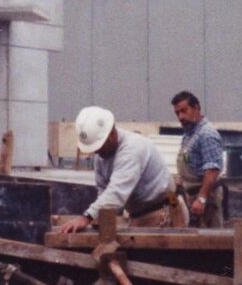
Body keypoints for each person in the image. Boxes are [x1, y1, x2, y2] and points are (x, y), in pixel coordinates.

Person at [58, 107, 172, 235]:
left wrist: (86, 217)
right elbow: (104, 192)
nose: (97, 151)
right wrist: (98, 216)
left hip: (161, 212)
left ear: (112, 134)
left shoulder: (132, 149)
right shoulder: (101, 155)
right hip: (137, 214)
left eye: (99, 146)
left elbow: (117, 192)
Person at [172, 90, 226, 227]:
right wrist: (181, 181)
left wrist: (202, 198)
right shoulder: (189, 134)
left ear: (197, 108)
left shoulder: (207, 134)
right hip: (190, 195)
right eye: (177, 113)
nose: (180, 117)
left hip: (206, 198)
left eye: (184, 111)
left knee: (210, 241)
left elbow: (212, 169)